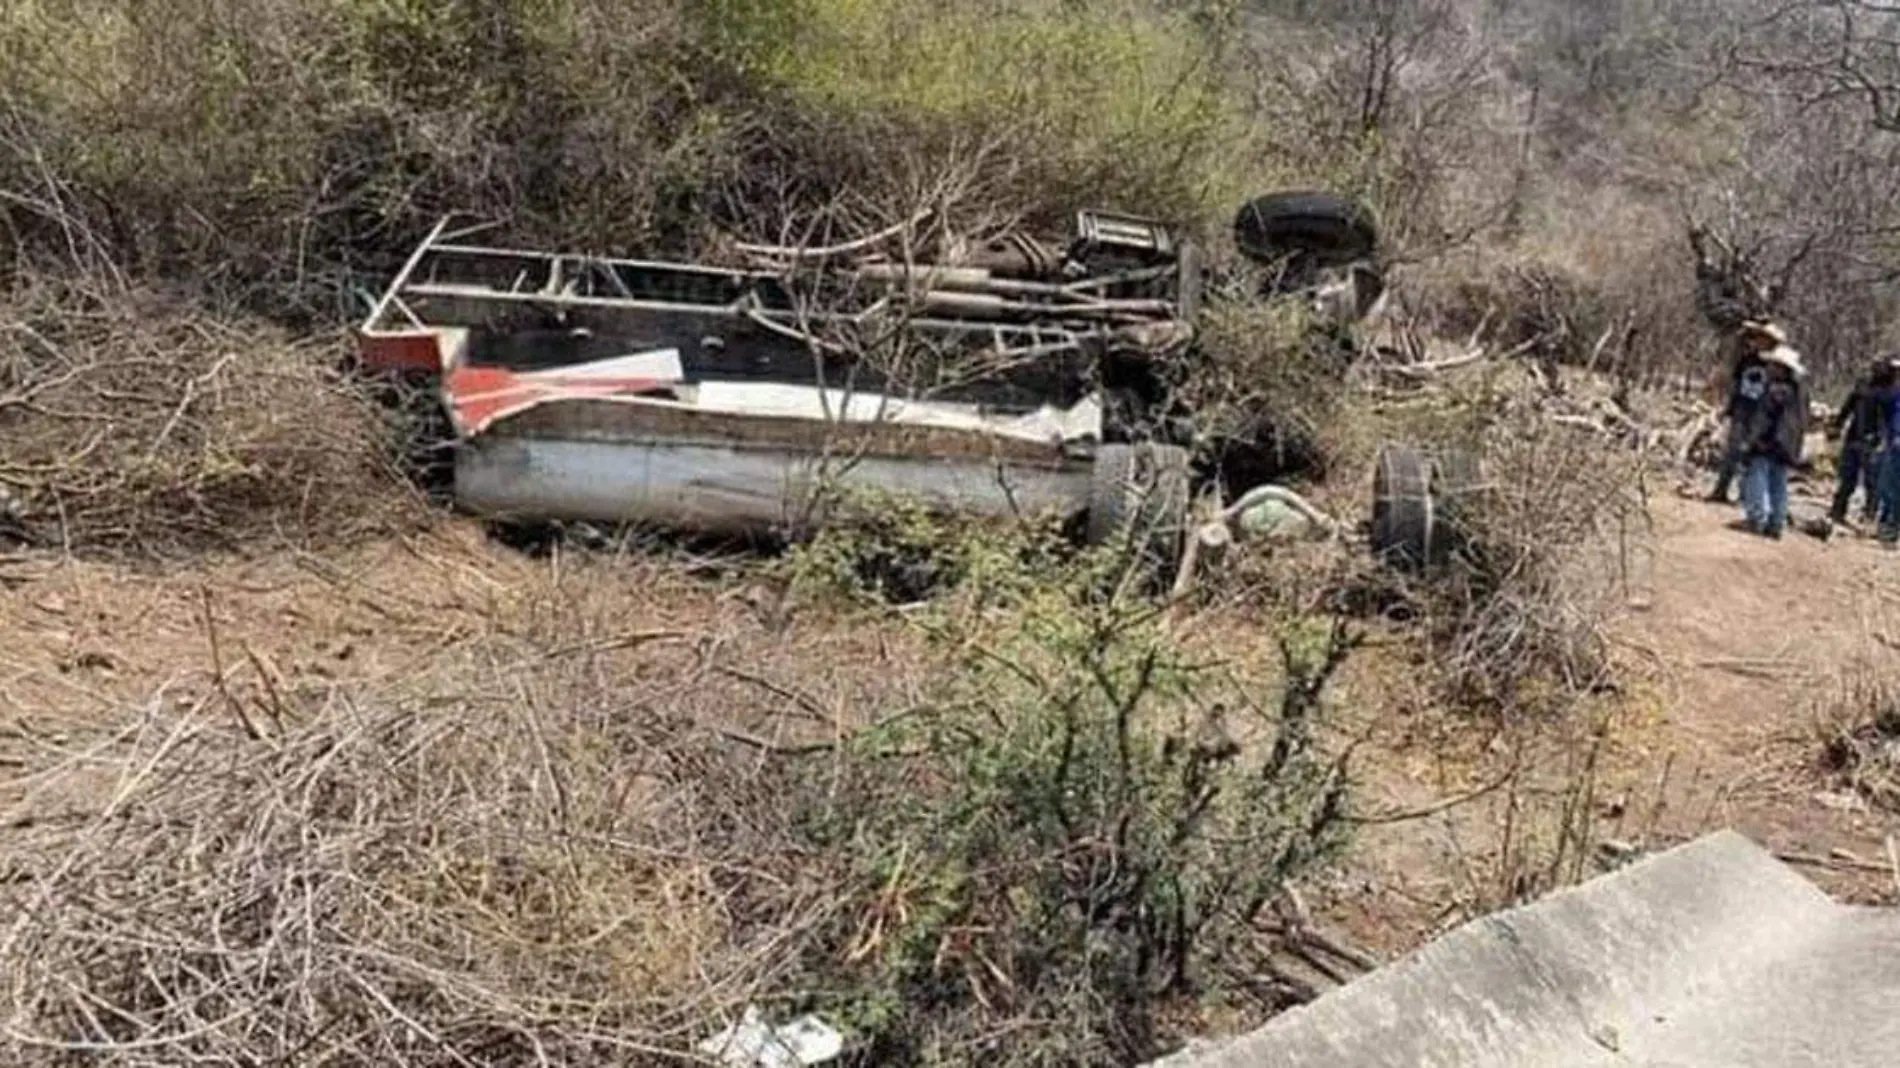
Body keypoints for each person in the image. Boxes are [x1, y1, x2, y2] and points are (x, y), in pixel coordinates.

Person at [1708, 320, 1786, 503]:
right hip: (1742, 410)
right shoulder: (1747, 359)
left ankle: (1746, 495)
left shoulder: (1775, 366)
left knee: (1751, 455)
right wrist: (1729, 407)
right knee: (1732, 450)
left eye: (1763, 338)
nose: (1758, 341)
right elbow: (1736, 384)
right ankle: (1721, 489)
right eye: (1757, 337)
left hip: (1760, 415)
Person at [1736, 343, 1808, 539]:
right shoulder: (1799, 392)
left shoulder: (1774, 391)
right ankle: (1776, 523)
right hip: (1787, 445)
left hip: (1769, 442)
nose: (1769, 368)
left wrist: (1751, 441)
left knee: (1757, 477)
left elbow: (1763, 419)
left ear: (1782, 368)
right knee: (1779, 482)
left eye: (1774, 365)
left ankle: (1757, 518)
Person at [1827, 356, 1897, 527]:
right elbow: (1848, 405)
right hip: (1855, 436)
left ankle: (1869, 516)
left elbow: (1893, 419)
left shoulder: (1893, 392)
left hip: (1876, 440)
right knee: (1847, 477)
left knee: (1872, 482)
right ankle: (1838, 510)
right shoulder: (1863, 386)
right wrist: (1837, 425)